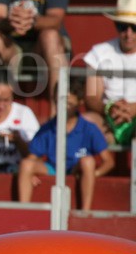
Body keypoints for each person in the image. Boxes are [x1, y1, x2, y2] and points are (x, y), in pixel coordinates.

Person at [18, 78, 115, 212]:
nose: (63, 107)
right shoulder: (48, 128)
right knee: (26, 164)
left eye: (69, 104)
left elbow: (109, 161)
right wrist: (30, 174)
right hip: (53, 168)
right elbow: (32, 158)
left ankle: (85, 212)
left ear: (79, 103)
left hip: (76, 169)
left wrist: (94, 174)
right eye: (59, 102)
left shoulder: (89, 128)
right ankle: (23, 211)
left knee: (88, 161)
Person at [83, 0, 136, 146]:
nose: (128, 34)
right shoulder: (98, 53)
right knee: (85, 122)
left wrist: (133, 108)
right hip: (107, 118)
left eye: (134, 27)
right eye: (122, 27)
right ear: (115, 26)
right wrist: (109, 108)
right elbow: (92, 97)